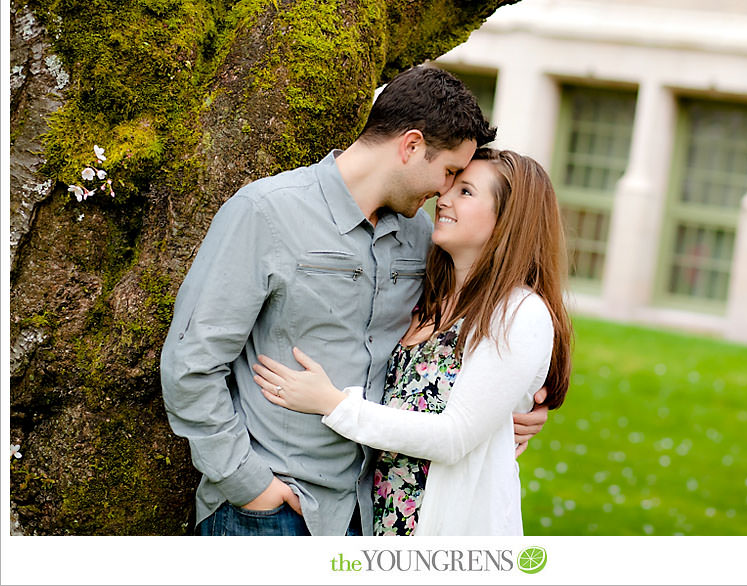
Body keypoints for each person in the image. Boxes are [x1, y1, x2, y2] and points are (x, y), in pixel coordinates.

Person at [160, 66, 549, 536]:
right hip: (268, 510)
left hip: (366, 516)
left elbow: (451, 353)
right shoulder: (267, 211)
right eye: (449, 173)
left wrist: (509, 412)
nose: (445, 191)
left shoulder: (422, 236)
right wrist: (248, 483)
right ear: (410, 146)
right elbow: (192, 362)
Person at [252, 148, 572, 535]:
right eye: (451, 185)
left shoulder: (519, 313)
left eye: (466, 192)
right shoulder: (430, 296)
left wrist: (332, 403)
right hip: (382, 525)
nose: (445, 198)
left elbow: (454, 437)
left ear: (507, 220)